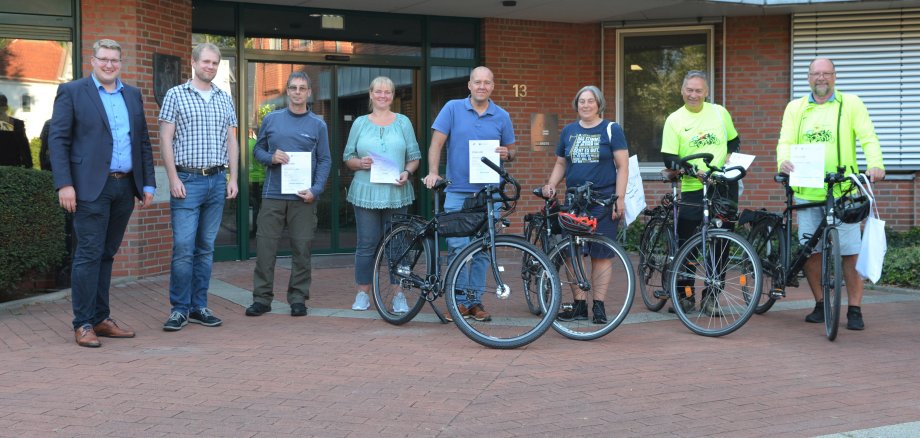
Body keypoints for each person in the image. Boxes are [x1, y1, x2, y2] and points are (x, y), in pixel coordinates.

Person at [48, 39, 156, 347]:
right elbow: (58, 141)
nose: (109, 64)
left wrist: (147, 183)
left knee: (107, 255)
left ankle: (100, 318)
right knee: (88, 254)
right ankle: (82, 323)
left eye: (114, 60)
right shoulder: (73, 92)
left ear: (121, 64)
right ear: (93, 61)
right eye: (103, 59)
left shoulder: (132, 95)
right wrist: (64, 184)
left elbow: (143, 142)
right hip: (88, 187)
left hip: (125, 187)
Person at [777, 57, 885, 331]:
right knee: (810, 250)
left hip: (842, 191)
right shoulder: (795, 108)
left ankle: (855, 309)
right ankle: (820, 303)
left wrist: (876, 164)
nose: (821, 78)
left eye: (826, 73)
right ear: (808, 77)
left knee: (850, 253)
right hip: (806, 190)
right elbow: (785, 140)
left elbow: (868, 136)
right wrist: (783, 161)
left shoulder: (851, 104)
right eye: (816, 73)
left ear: (834, 76)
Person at [422, 66, 515, 322]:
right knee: (457, 247)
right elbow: (436, 143)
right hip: (457, 191)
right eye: (477, 82)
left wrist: (508, 154)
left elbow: (512, 150)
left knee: (484, 250)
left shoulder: (502, 116)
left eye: (486, 82)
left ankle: (474, 302)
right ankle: (459, 301)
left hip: (489, 194)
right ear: (469, 85)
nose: (482, 86)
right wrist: (433, 172)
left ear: (492, 86)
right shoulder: (452, 108)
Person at [159, 42, 239, 331]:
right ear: (194, 63)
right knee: (183, 247)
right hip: (187, 181)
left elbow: (231, 140)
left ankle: (198, 307)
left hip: (217, 180)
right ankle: (179, 309)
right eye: (206, 62)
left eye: (215, 63)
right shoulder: (176, 95)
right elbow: (165, 138)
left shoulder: (224, 98)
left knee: (205, 248)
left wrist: (233, 178)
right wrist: (173, 178)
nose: (211, 67)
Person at [244, 71, 331, 317]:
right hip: (273, 195)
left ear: (309, 92)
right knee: (265, 249)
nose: (297, 92)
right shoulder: (272, 119)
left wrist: (316, 190)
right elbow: (258, 150)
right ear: (287, 90)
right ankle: (261, 299)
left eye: (302, 88)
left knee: (302, 250)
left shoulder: (318, 124)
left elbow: (325, 160)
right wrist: (270, 158)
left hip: (303, 198)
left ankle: (298, 298)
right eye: (293, 88)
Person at [541, 85, 628, 324]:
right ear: (576, 105)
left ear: (599, 104)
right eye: (582, 101)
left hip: (602, 199)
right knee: (572, 252)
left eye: (591, 101)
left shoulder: (611, 129)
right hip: (574, 200)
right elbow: (561, 163)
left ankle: (598, 306)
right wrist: (551, 185)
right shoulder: (569, 131)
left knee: (601, 254)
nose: (586, 105)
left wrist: (619, 198)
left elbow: (622, 166)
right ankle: (579, 304)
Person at [660, 70, 741, 315]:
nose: (693, 95)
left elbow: (734, 140)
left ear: (706, 92)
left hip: (723, 186)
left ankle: (712, 298)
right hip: (693, 187)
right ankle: (685, 294)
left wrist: (729, 155)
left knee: (721, 243)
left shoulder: (719, 112)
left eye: (698, 90)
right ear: (682, 91)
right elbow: (669, 157)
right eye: (689, 90)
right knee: (689, 244)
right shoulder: (674, 119)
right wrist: (691, 170)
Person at [344, 76, 421, 312]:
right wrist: (360, 163)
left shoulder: (403, 122)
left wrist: (407, 172)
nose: (383, 96)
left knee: (398, 245)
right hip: (366, 192)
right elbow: (347, 158)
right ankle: (363, 293)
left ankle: (399, 294)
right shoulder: (359, 123)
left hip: (396, 191)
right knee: (366, 244)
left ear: (392, 95)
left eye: (388, 92)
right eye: (378, 91)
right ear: (370, 94)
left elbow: (414, 157)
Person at [0, 93, 33, 168]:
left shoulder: (14, 124)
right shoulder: (15, 123)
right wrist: (29, 166)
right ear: (6, 107)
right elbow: (24, 148)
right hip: (12, 168)